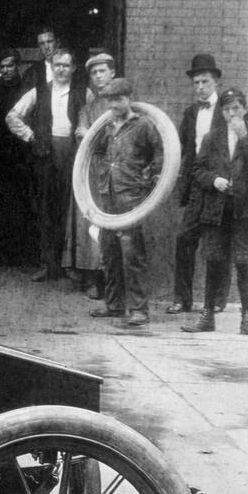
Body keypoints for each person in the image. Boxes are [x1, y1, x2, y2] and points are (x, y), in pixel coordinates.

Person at [182, 87, 248, 338]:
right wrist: (214, 180)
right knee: (213, 260)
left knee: (244, 262)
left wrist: (244, 136)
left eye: (236, 108)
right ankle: (207, 316)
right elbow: (196, 171)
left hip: (245, 209)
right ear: (221, 112)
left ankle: (247, 320)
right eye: (227, 109)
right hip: (216, 209)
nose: (232, 113)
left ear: (245, 109)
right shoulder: (212, 138)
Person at [87, 78, 163, 327]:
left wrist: (149, 177)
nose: (114, 104)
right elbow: (95, 151)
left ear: (129, 98)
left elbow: (160, 154)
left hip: (130, 196)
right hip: (107, 195)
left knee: (132, 254)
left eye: (118, 99)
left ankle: (139, 309)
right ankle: (115, 305)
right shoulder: (107, 127)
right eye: (110, 100)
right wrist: (101, 171)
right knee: (109, 253)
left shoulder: (143, 125)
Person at [6, 47, 85, 282]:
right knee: (46, 210)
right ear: (52, 67)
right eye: (57, 65)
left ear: (73, 68)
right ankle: (47, 264)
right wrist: (31, 136)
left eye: (65, 65)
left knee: (70, 211)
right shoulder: (38, 92)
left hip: (73, 155)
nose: (61, 69)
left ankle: (69, 265)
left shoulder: (84, 94)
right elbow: (12, 116)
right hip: (45, 155)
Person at [168, 53, 230, 315]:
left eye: (205, 81)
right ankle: (183, 299)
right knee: (184, 239)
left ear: (215, 81)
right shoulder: (191, 112)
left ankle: (217, 300)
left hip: (220, 188)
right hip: (196, 187)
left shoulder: (227, 109)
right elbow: (183, 149)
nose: (200, 87)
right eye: (196, 83)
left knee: (217, 244)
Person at [64, 51, 116, 299]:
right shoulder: (88, 108)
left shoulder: (122, 103)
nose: (98, 76)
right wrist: (87, 134)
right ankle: (95, 278)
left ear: (112, 73)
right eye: (94, 73)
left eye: (102, 71)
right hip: (95, 170)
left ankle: (114, 280)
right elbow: (82, 131)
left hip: (119, 171)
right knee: (93, 222)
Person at [0, 48, 35, 266]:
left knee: (22, 202)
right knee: (2, 202)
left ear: (18, 67)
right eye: (2, 67)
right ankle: (2, 255)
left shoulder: (27, 89)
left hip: (22, 153)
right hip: (1, 154)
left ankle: (22, 254)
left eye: (10, 66)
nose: (5, 70)